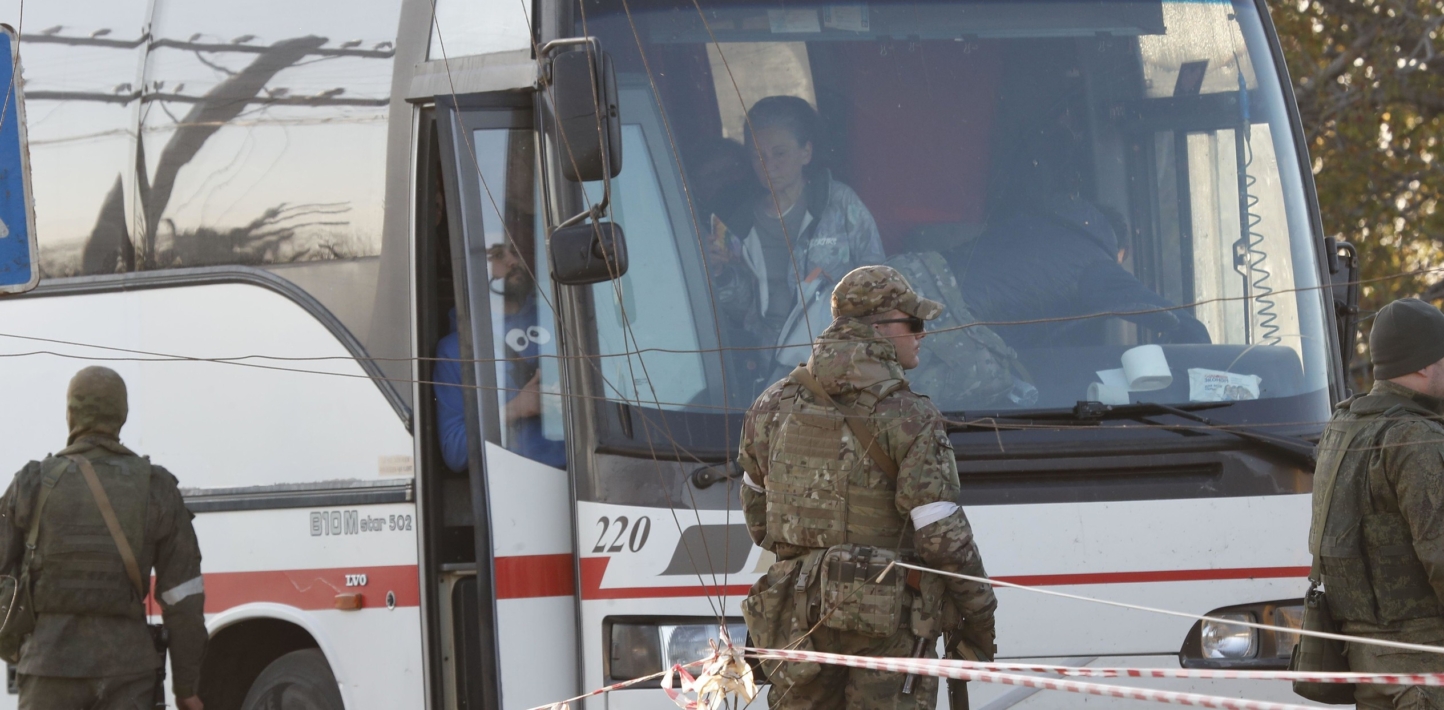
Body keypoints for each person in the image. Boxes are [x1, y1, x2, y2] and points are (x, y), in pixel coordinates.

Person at [738, 265, 997, 709]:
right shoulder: (909, 416)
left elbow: (760, 522)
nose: (922, 333)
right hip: (887, 626)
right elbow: (942, 539)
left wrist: (818, 558)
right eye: (913, 322)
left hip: (797, 620)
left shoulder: (770, 405)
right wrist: (979, 616)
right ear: (878, 328)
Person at [0, 366, 205, 710]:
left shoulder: (31, 483)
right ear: (122, 416)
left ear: (70, 414)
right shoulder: (156, 487)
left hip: (47, 668)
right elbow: (183, 597)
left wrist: (15, 646)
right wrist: (186, 687)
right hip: (127, 672)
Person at [1307, 298, 1444, 708]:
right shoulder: (1414, 438)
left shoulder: (1343, 425)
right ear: (1423, 365)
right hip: (1425, 669)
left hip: (1369, 666)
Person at [707, 96, 885, 388]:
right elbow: (745, 310)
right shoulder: (740, 224)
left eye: (780, 153)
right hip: (772, 366)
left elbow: (879, 280)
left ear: (806, 152)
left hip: (841, 361)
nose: (769, 166)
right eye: (758, 156)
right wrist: (721, 274)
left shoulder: (838, 204)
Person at [435, 241, 565, 471]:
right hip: (515, 479)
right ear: (472, 269)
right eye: (497, 255)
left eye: (515, 251)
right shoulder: (455, 349)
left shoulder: (559, 317)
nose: (512, 261)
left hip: (584, 470)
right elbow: (455, 450)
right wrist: (516, 409)